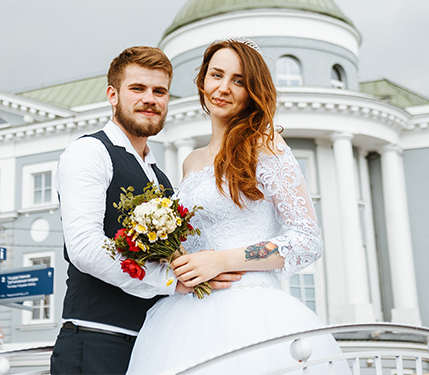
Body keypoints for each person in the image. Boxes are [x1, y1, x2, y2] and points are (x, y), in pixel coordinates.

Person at [126, 39, 345, 375]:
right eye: (216, 75)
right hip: (184, 319)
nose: (223, 88)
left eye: (238, 80)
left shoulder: (265, 145)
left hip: (252, 312)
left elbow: (306, 239)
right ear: (202, 81)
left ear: (252, 90)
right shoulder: (191, 161)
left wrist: (222, 260)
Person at [51, 46, 240, 375]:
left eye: (159, 91)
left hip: (153, 346)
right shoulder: (89, 153)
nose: (150, 99)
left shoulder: (160, 176)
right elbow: (84, 247)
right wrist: (170, 280)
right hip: (97, 341)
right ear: (113, 95)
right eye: (137, 88)